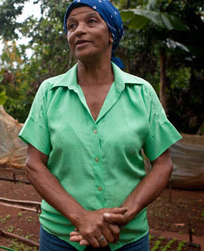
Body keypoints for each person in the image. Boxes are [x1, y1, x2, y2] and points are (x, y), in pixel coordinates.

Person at [18, 0, 182, 250]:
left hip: (126, 237)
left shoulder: (141, 93)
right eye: (71, 26)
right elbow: (33, 164)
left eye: (91, 21)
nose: (78, 30)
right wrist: (81, 217)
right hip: (62, 237)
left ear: (111, 35)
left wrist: (123, 215)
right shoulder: (50, 92)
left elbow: (163, 164)